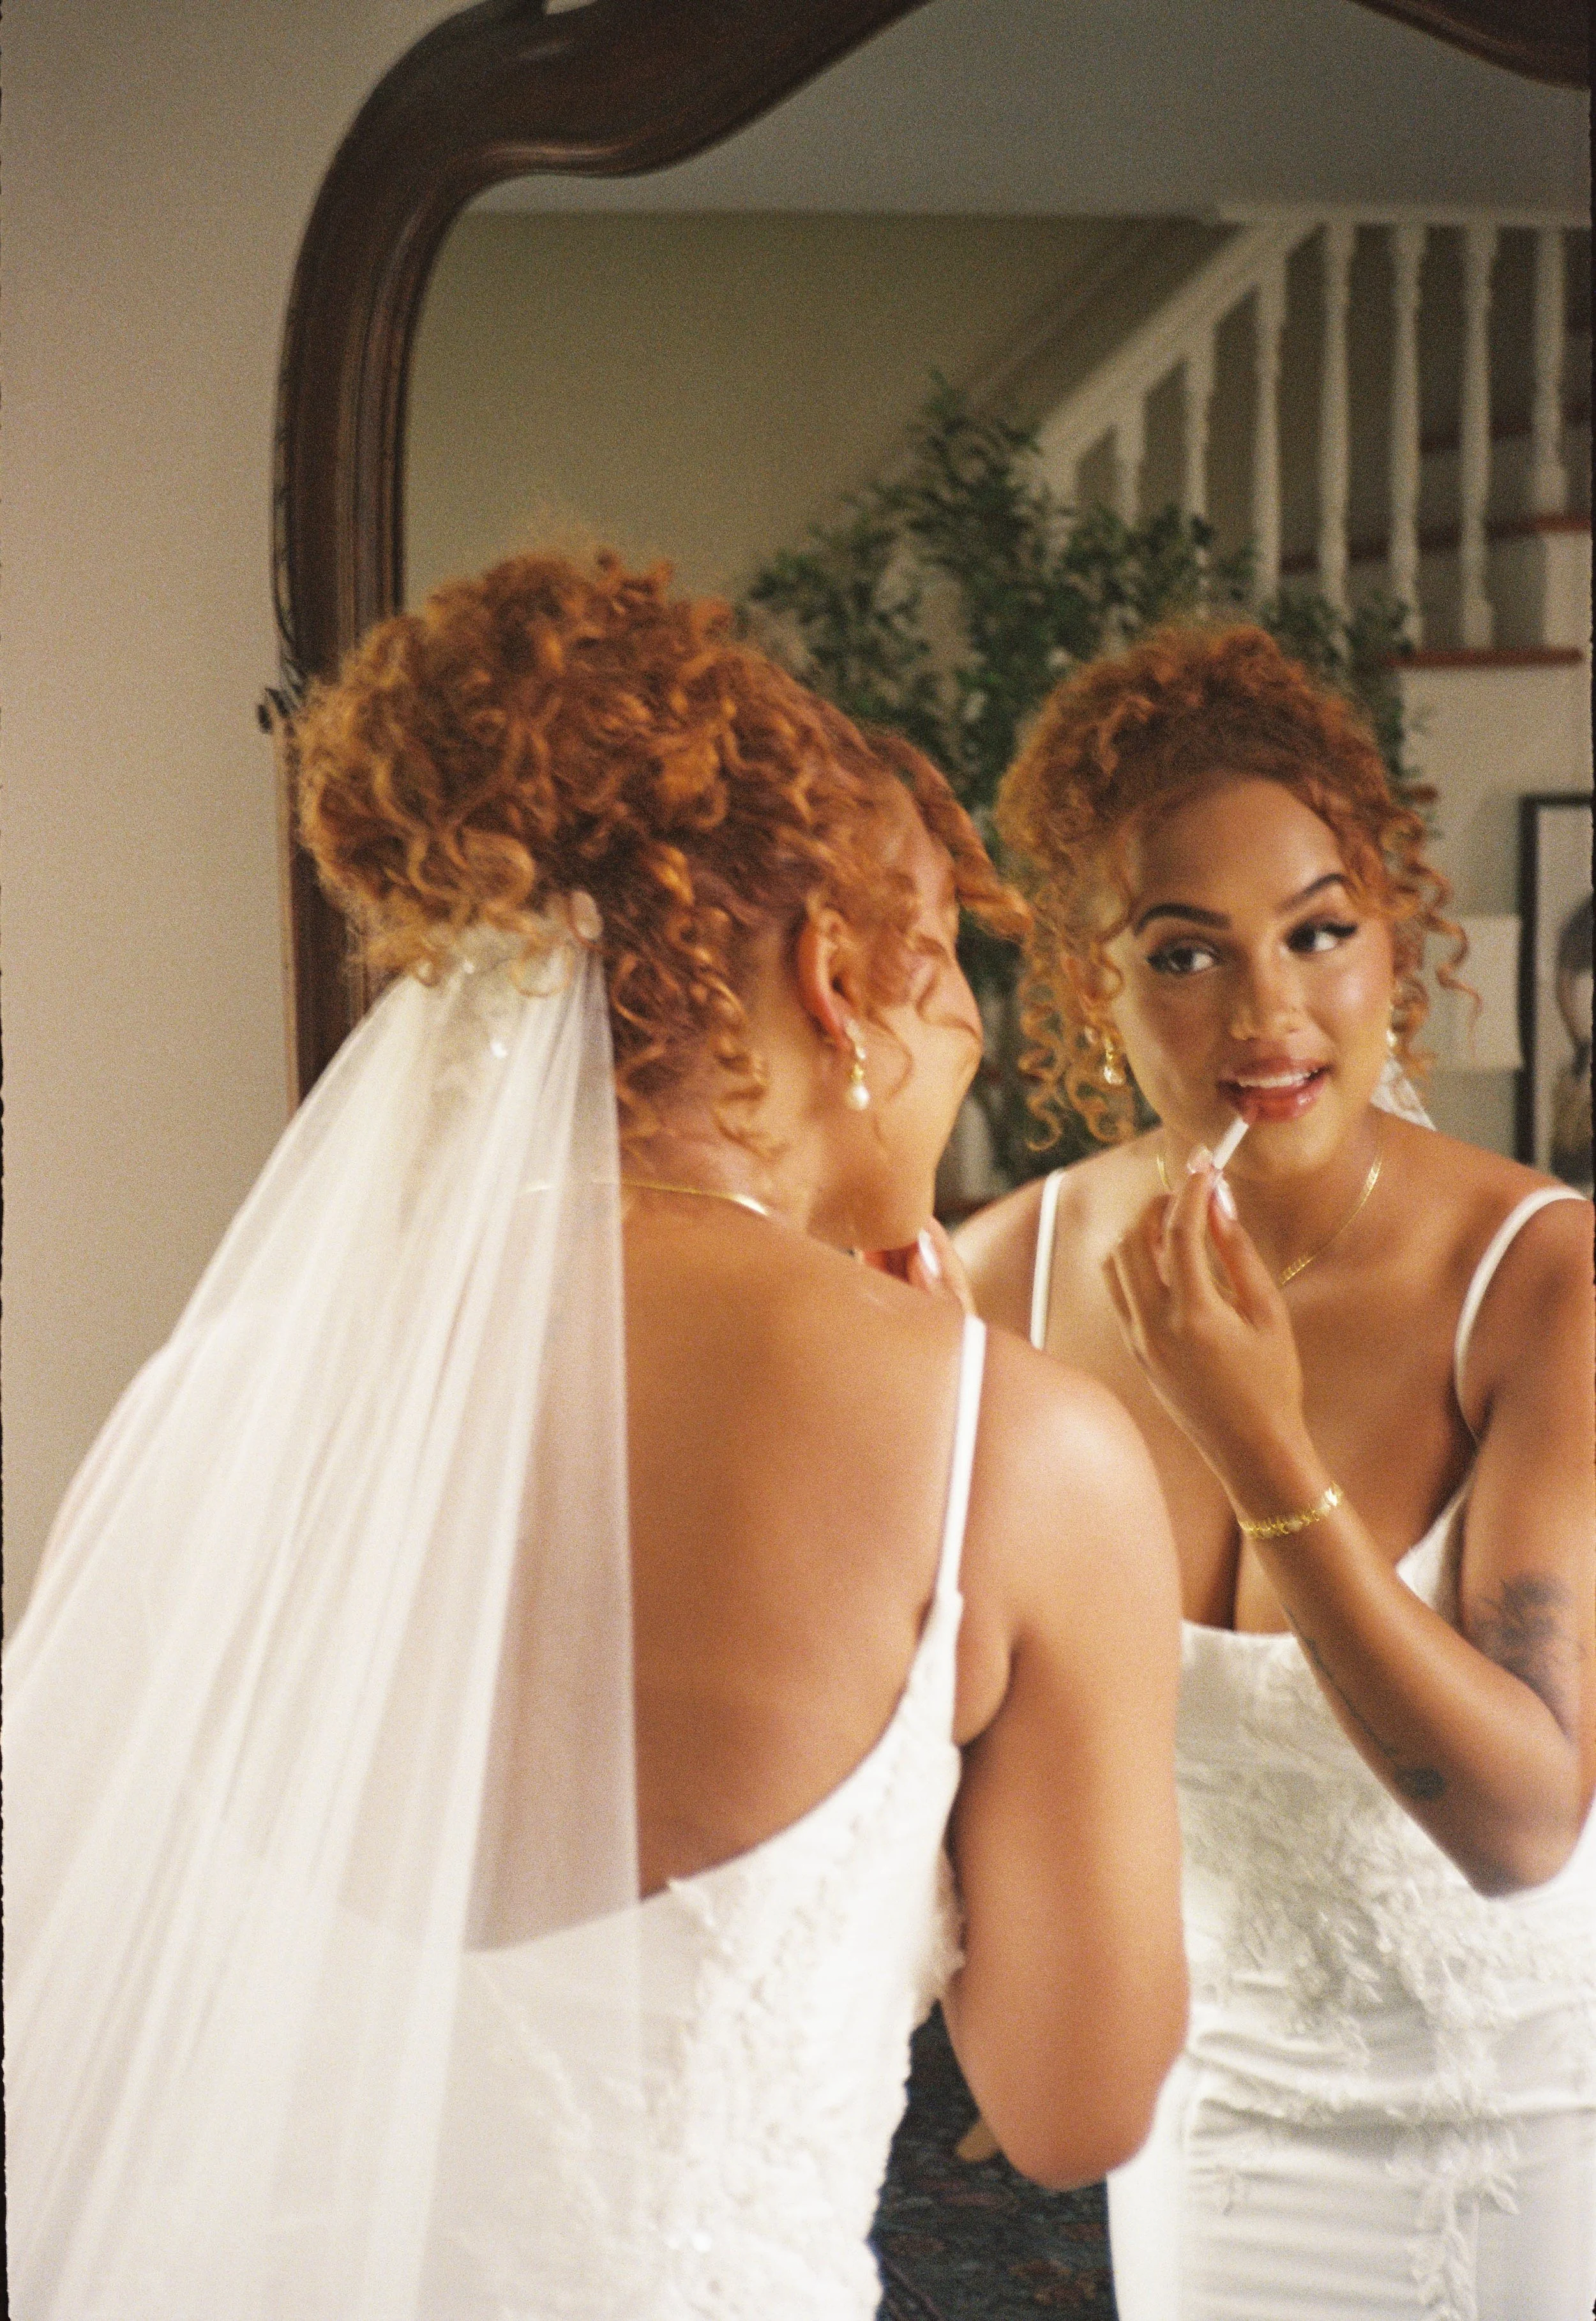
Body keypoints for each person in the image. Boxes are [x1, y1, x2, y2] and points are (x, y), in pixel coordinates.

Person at [4, 550, 1186, 2321]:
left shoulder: (234, 1390)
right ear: (836, 983)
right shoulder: (1009, 1451)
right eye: (946, 965)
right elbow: (1073, 2108)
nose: (966, 1039)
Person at [956, 623, 1596, 2321]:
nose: (1268, 1013)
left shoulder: (1542, 1278)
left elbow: (1524, 1822)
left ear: (1397, 939)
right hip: (1203, 2129)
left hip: (1520, 2118)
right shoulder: (998, 1285)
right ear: (1090, 986)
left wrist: (1258, 1445)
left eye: (1319, 931)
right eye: (1186, 953)